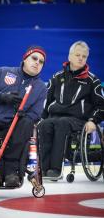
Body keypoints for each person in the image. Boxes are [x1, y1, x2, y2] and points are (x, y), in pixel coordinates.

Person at [0, 45, 47, 187]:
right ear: (25, 58)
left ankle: (12, 172)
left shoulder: (41, 87)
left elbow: (36, 113)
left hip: (15, 124)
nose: (37, 63)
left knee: (27, 123)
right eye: (34, 58)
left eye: (41, 62)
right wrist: (2, 97)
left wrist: (25, 114)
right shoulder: (3, 72)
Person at [38, 40, 104, 178]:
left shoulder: (92, 81)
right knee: (45, 124)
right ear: (69, 56)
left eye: (84, 56)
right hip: (55, 117)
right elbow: (47, 101)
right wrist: (41, 118)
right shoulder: (57, 77)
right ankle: (44, 170)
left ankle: (55, 170)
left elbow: (101, 105)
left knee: (61, 123)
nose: (80, 58)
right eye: (77, 55)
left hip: (78, 120)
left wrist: (93, 120)